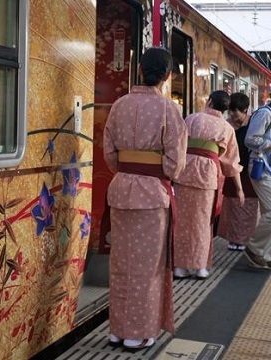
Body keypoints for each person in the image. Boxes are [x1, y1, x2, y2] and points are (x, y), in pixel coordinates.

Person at [103, 47, 187, 349]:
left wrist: (128, 171)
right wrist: (158, 173)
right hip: (152, 195)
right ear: (166, 76)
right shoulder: (169, 110)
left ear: (139, 70)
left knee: (121, 262)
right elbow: (175, 163)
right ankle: (139, 332)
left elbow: (110, 154)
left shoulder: (119, 105)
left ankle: (117, 330)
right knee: (147, 265)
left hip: (121, 188)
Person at [173, 91, 244, 280]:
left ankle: (179, 266)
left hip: (184, 173)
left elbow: (177, 144)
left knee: (181, 220)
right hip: (207, 176)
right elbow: (231, 162)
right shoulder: (227, 128)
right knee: (203, 222)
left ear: (210, 102)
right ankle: (199, 266)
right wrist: (239, 188)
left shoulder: (192, 118)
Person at [217, 93, 259, 251]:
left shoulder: (253, 125)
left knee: (248, 205)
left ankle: (244, 239)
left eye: (236, 112)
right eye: (230, 111)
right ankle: (233, 239)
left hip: (248, 170)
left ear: (245, 110)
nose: (232, 115)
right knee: (232, 205)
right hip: (232, 169)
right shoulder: (228, 125)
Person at [243, 102, 271, 268]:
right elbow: (250, 139)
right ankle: (254, 247)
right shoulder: (265, 113)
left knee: (268, 212)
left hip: (268, 169)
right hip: (261, 168)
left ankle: (263, 255)